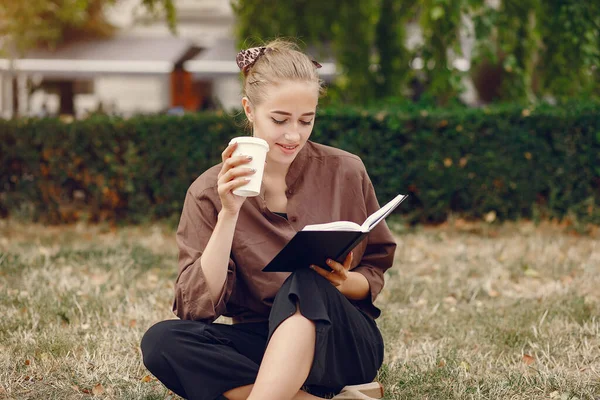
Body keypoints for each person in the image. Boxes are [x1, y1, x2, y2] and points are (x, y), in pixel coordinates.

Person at [140, 39, 397, 400]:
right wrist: (229, 213)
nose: (294, 135)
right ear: (249, 109)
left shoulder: (346, 171)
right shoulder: (207, 192)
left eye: (306, 120)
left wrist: (342, 283)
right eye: (279, 120)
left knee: (305, 282)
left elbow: (374, 269)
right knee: (162, 341)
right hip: (260, 339)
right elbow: (196, 308)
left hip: (339, 341)